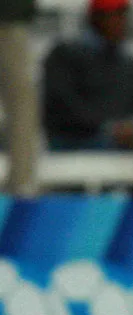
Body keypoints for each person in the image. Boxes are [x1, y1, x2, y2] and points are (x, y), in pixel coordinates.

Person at [43, 0, 133, 150]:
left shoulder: (128, 63)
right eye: (116, 16)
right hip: (73, 143)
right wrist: (109, 128)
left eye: (124, 16)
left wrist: (131, 126)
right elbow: (62, 105)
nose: (123, 22)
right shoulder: (65, 55)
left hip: (119, 146)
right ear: (98, 18)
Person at [0, 0, 39, 196]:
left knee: (22, 103)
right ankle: (21, 182)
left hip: (11, 20)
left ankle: (21, 182)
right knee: (21, 102)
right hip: (9, 20)